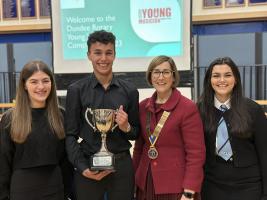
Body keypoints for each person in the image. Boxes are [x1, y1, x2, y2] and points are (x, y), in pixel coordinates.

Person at [65, 30, 140, 200]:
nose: (103, 59)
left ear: (115, 54)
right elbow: (70, 135)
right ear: (89, 55)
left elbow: (136, 132)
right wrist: (82, 167)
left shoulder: (130, 91)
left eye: (108, 53)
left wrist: (126, 126)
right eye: (97, 53)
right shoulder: (76, 90)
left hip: (122, 167)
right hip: (88, 165)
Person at [133, 55, 206, 200]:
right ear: (150, 76)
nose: (161, 77)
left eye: (166, 72)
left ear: (173, 76)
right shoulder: (142, 107)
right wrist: (134, 182)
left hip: (176, 187)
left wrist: (189, 191)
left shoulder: (187, 107)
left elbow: (196, 153)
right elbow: (139, 149)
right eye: (156, 72)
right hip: (146, 184)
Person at [0, 61, 73, 200]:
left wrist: (68, 193)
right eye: (34, 81)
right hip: (22, 191)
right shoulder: (10, 118)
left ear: (51, 83)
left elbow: (65, 161)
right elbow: (3, 162)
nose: (41, 86)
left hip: (55, 188)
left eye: (45, 81)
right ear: (24, 85)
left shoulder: (61, 115)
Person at [197, 57, 267, 200]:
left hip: (249, 186)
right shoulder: (198, 111)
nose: (222, 80)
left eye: (227, 75)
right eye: (216, 76)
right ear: (209, 81)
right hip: (211, 186)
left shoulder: (253, 109)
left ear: (236, 79)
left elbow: (265, 154)